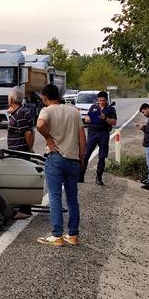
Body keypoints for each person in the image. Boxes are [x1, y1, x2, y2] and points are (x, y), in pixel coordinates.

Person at [36, 84, 85, 247]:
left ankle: (57, 235)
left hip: (55, 158)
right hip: (73, 160)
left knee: (55, 197)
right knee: (72, 199)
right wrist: (81, 157)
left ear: (44, 97)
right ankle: (73, 235)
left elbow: (40, 125)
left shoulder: (47, 111)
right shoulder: (73, 111)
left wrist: (48, 138)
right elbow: (81, 136)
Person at [6, 89, 35, 219]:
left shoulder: (20, 114)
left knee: (21, 180)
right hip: (19, 151)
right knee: (19, 179)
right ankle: (21, 206)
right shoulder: (21, 111)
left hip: (20, 152)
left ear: (11, 100)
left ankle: (25, 210)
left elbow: (28, 133)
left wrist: (29, 149)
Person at [82, 91, 117, 185]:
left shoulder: (110, 109)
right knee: (86, 155)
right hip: (93, 133)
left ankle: (99, 177)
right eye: (100, 100)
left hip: (103, 133)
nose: (101, 102)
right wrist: (95, 118)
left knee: (102, 157)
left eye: (103, 100)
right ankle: (81, 175)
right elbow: (86, 119)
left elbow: (114, 122)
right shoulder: (94, 107)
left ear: (106, 100)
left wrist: (105, 118)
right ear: (98, 100)